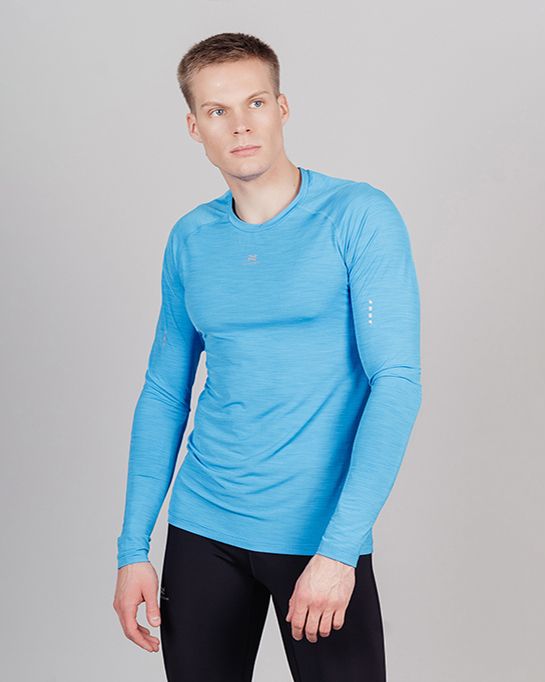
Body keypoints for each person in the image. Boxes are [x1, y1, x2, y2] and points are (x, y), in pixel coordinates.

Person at [113, 31, 422, 682]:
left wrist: (340, 550)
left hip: (317, 534)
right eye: (217, 110)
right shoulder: (191, 238)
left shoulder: (358, 216)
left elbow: (394, 381)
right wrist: (133, 547)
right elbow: (164, 392)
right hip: (203, 527)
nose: (240, 125)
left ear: (282, 107)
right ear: (194, 126)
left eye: (254, 102)